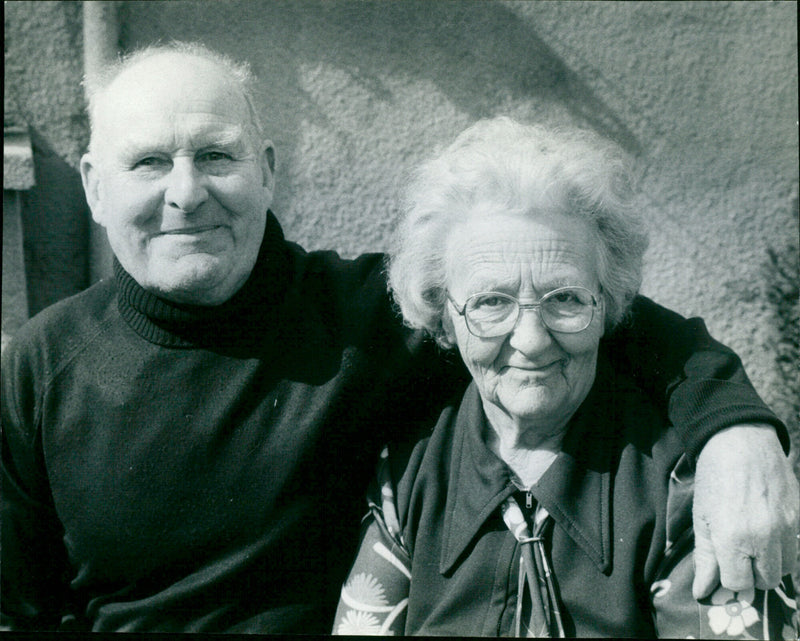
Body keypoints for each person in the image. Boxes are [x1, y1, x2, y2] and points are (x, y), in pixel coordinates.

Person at [0, 43, 796, 634]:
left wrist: (736, 430)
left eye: (216, 155)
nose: (186, 191)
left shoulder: (367, 313)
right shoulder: (41, 365)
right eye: (148, 164)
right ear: (94, 186)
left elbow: (584, 314)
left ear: (268, 170)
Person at [333, 118, 800, 637]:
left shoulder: (690, 488)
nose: (531, 340)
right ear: (445, 316)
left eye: (566, 299)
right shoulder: (409, 474)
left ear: (610, 305)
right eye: (491, 302)